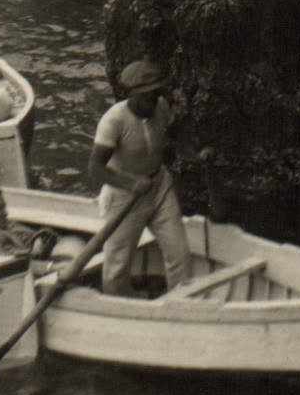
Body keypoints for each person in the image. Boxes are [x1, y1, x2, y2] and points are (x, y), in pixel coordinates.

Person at [85, 60, 209, 296]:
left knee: (180, 254)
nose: (152, 100)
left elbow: (175, 132)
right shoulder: (113, 121)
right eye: (146, 96)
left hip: (159, 187)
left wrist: (194, 153)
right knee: (117, 266)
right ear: (131, 94)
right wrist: (132, 183)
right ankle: (117, 308)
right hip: (124, 195)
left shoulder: (160, 107)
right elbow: (95, 169)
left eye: (156, 93)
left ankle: (180, 304)